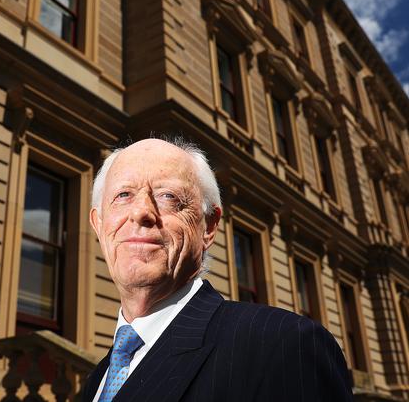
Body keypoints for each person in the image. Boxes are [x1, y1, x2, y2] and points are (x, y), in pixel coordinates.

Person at [83, 138, 352, 402]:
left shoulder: (284, 346)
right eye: (123, 195)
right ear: (99, 223)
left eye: (169, 196)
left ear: (209, 227)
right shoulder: (97, 379)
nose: (141, 211)